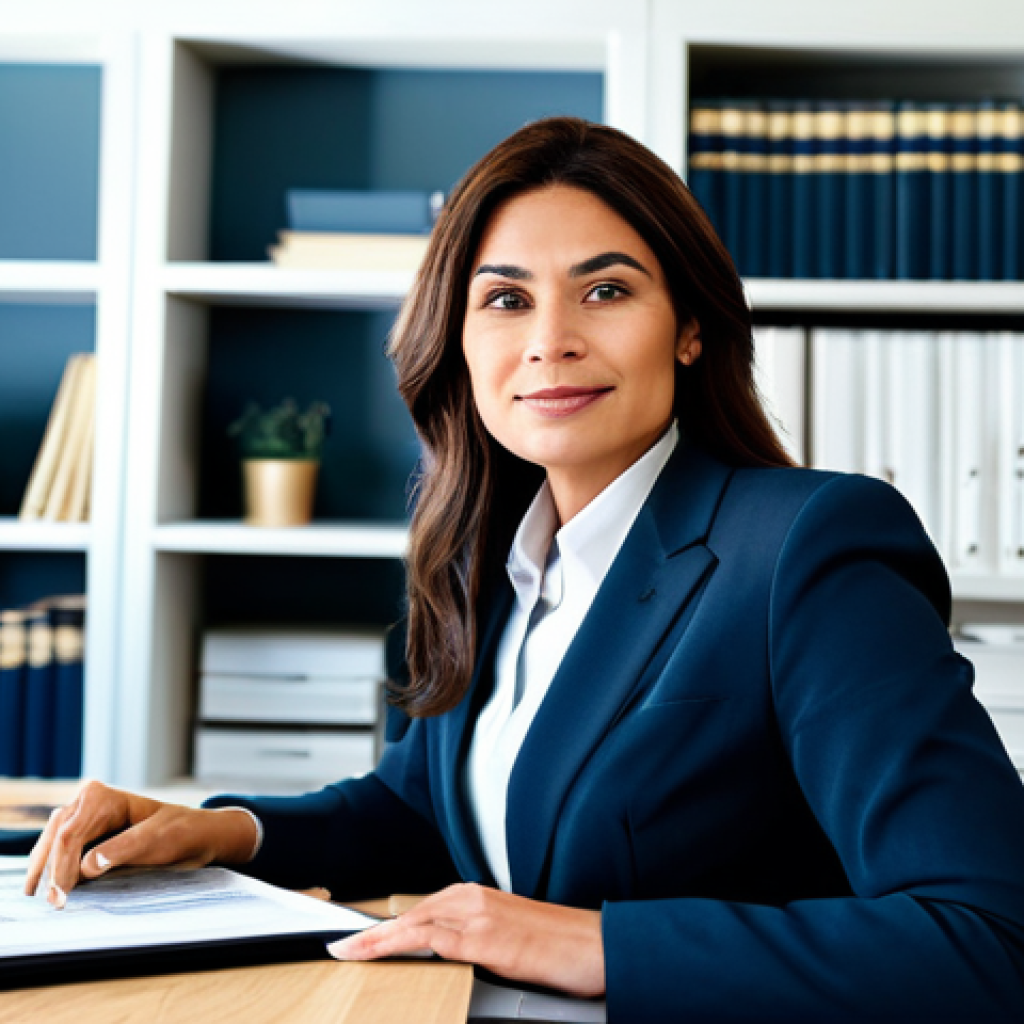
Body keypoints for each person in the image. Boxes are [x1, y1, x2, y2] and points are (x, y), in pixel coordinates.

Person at [26, 117, 1024, 1022]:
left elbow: (987, 938)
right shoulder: (481, 560)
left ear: (688, 328)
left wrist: (590, 941)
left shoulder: (806, 545)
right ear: (458, 342)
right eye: (504, 299)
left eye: (606, 289)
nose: (550, 340)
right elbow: (420, 808)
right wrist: (218, 834)